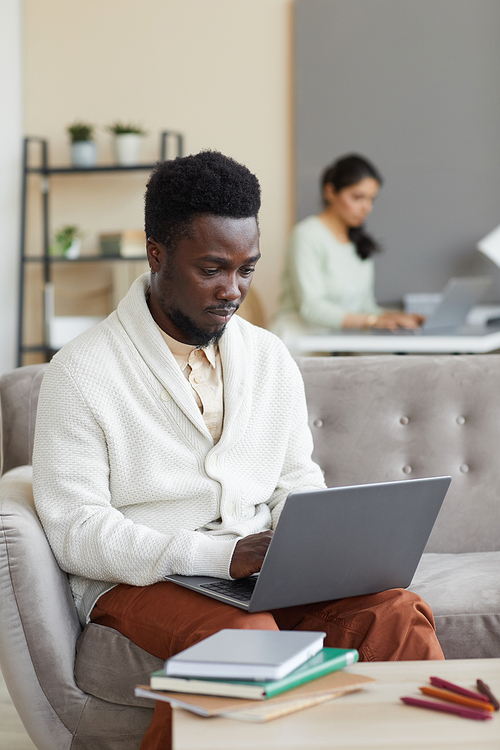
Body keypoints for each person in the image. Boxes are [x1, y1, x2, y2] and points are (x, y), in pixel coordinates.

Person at [33, 151, 443, 750]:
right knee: (244, 640)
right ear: (157, 256)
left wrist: (311, 539)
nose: (234, 291)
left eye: (247, 269)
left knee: (394, 613)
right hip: (142, 578)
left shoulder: (269, 355)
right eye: (212, 270)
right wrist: (217, 558)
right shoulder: (79, 373)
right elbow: (77, 532)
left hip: (256, 569)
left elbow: (293, 474)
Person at [274, 154, 424, 340]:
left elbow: (365, 308)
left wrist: (393, 317)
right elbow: (311, 308)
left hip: (339, 344)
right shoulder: (307, 235)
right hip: (299, 343)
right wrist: (371, 321)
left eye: (371, 199)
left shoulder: (359, 242)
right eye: (358, 197)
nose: (366, 208)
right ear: (330, 192)